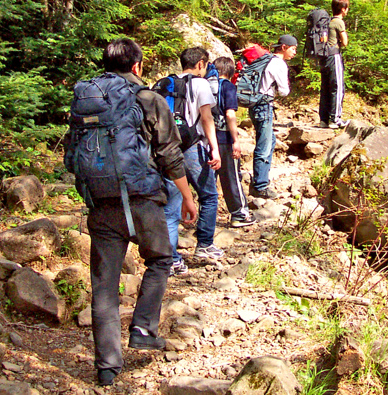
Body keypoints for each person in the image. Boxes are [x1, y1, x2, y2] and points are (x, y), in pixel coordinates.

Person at [64, 38, 197, 387]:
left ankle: (107, 367)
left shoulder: (86, 100)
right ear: (137, 66)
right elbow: (170, 153)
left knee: (104, 286)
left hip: (102, 203)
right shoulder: (148, 99)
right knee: (160, 259)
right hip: (142, 199)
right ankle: (142, 327)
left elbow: (70, 153)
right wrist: (187, 197)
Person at [162, 47, 224, 272]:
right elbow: (206, 118)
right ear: (200, 64)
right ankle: (205, 244)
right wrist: (215, 149)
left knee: (171, 205)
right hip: (192, 147)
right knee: (208, 195)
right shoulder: (200, 84)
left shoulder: (163, 83)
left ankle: (171, 259)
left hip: (166, 148)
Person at [249, 34, 296, 199]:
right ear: (284, 47)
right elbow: (284, 91)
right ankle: (260, 186)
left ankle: (261, 181)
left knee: (270, 141)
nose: (294, 52)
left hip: (254, 105)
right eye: (293, 48)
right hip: (264, 106)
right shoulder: (278, 64)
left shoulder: (265, 59)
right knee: (264, 145)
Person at [213, 56, 256, 227]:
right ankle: (239, 214)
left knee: (209, 180)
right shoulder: (228, 87)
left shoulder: (205, 86)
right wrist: (236, 140)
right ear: (231, 73)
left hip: (206, 139)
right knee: (231, 177)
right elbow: (230, 114)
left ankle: (204, 216)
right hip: (224, 139)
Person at [319, 0, 350, 129]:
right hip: (334, 56)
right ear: (343, 9)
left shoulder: (327, 22)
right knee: (337, 87)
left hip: (324, 57)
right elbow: (345, 42)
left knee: (326, 87)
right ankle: (335, 119)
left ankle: (324, 120)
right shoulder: (338, 22)